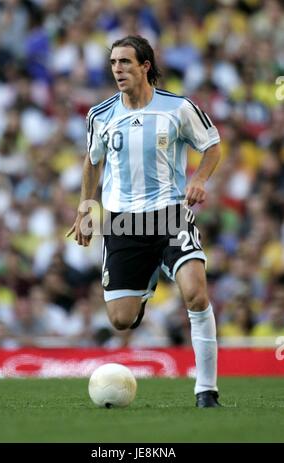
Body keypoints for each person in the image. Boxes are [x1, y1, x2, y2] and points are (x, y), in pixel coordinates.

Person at [66, 35, 222, 407]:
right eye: (113, 63)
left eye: (125, 62)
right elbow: (92, 160)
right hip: (123, 223)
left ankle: (206, 390)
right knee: (120, 320)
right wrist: (86, 207)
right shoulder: (100, 114)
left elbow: (212, 145)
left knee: (196, 293)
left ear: (145, 66)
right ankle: (146, 281)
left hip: (169, 214)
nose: (117, 69)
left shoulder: (178, 108)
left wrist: (199, 179)